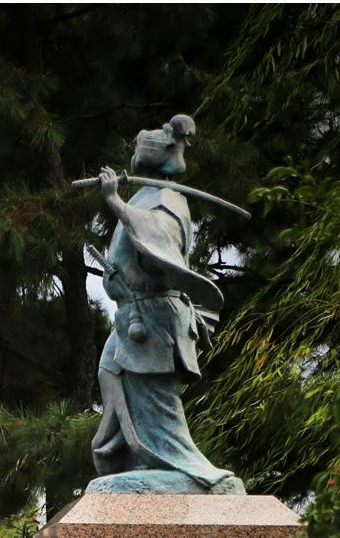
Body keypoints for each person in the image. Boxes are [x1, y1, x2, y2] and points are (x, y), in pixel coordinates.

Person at [90, 115, 236, 491]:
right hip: (132, 317)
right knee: (112, 375)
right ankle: (130, 457)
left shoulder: (167, 199)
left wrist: (115, 203)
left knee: (158, 407)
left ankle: (197, 476)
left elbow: (157, 239)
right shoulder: (146, 196)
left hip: (153, 318)